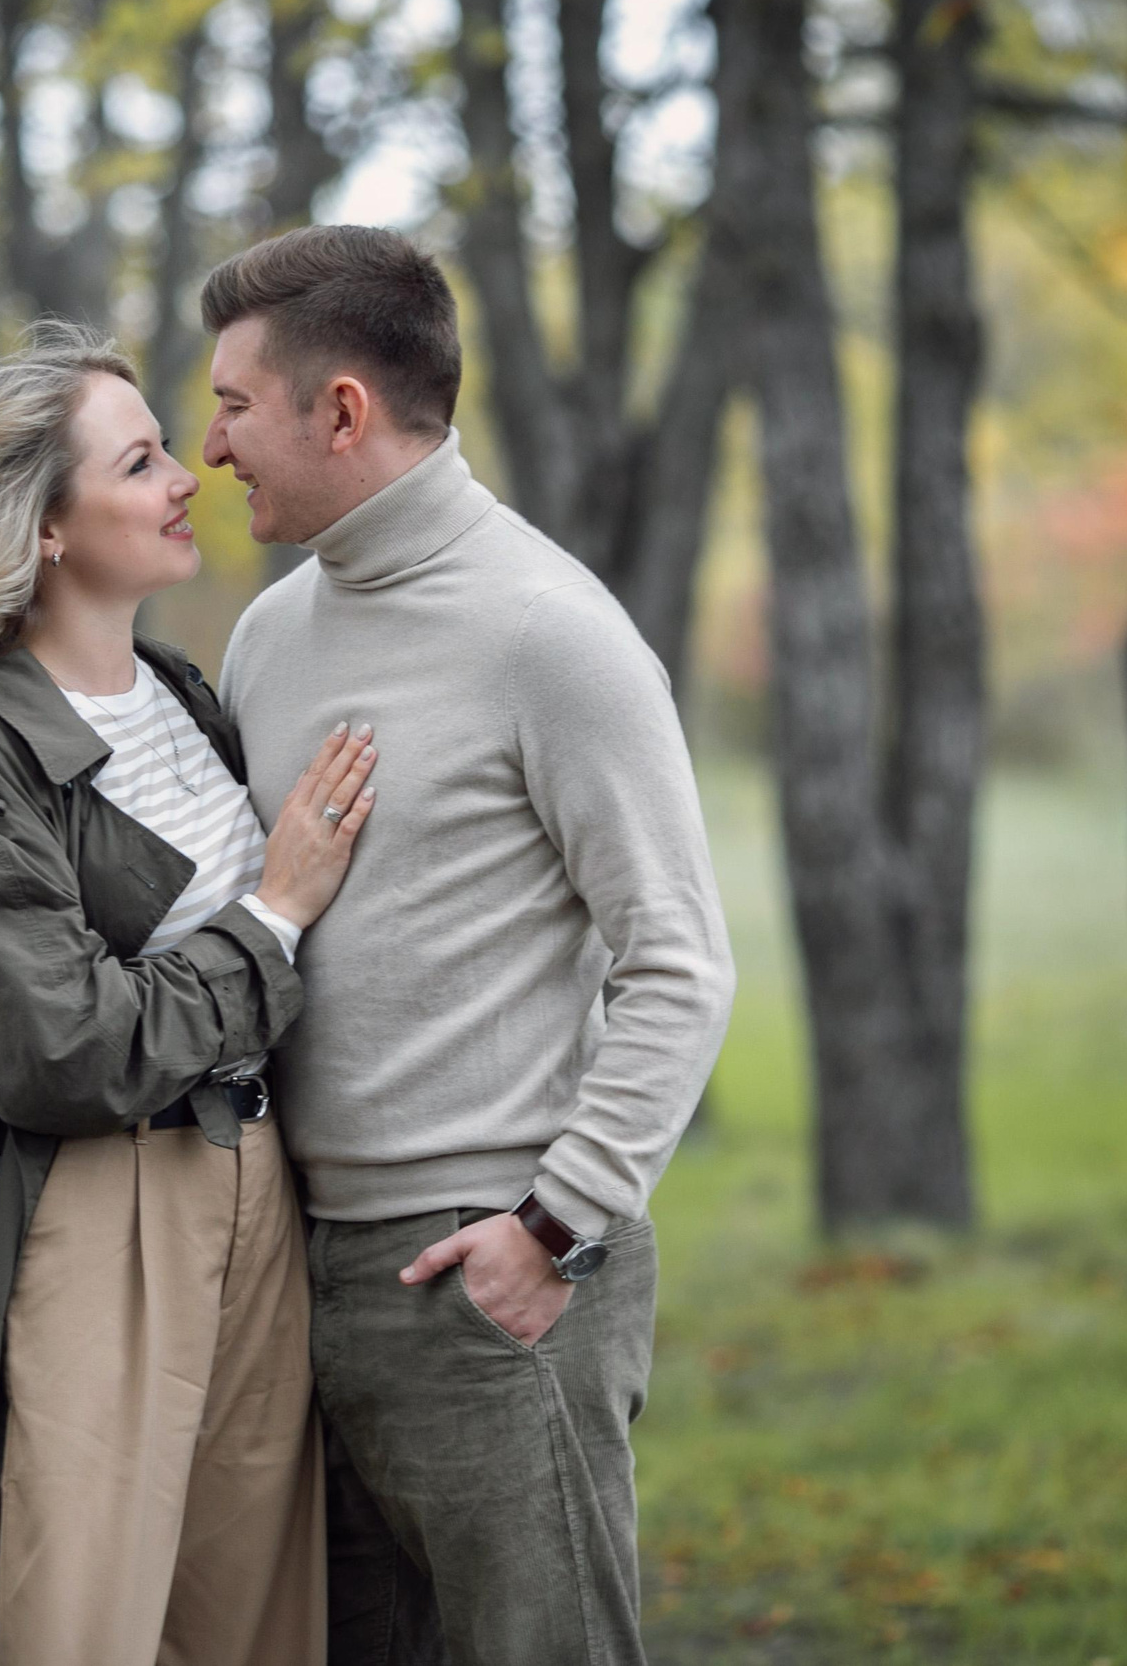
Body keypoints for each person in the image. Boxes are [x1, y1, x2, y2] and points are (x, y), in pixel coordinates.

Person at [202, 225, 739, 1666]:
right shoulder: (267, 637)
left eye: (234, 405)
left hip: (492, 1275)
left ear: (341, 411)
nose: (210, 445)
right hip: (298, 1273)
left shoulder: (551, 633)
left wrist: (558, 1227)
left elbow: (680, 962)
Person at [0, 320, 379, 1666]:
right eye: (139, 464)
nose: (189, 475)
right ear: (46, 528)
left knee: (250, 1616)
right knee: (82, 1619)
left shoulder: (184, 694)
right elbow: (63, 1047)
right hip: (102, 1202)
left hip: (257, 1178)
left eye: (168, 448)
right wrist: (275, 914)